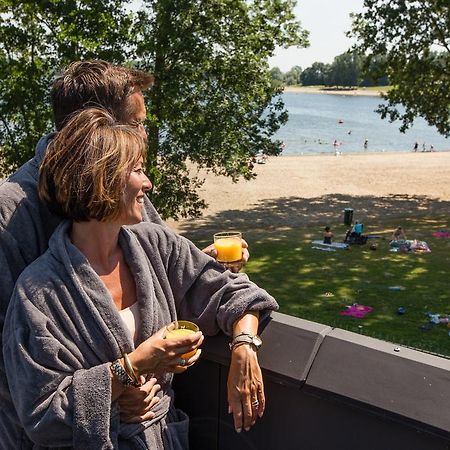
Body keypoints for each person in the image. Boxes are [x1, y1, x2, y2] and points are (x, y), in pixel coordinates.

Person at [0, 60, 247, 446]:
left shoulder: (132, 209)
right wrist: (115, 390)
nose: (143, 133)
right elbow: (17, 361)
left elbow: (155, 273)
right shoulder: (12, 212)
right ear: (97, 131)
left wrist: (200, 270)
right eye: (136, 123)